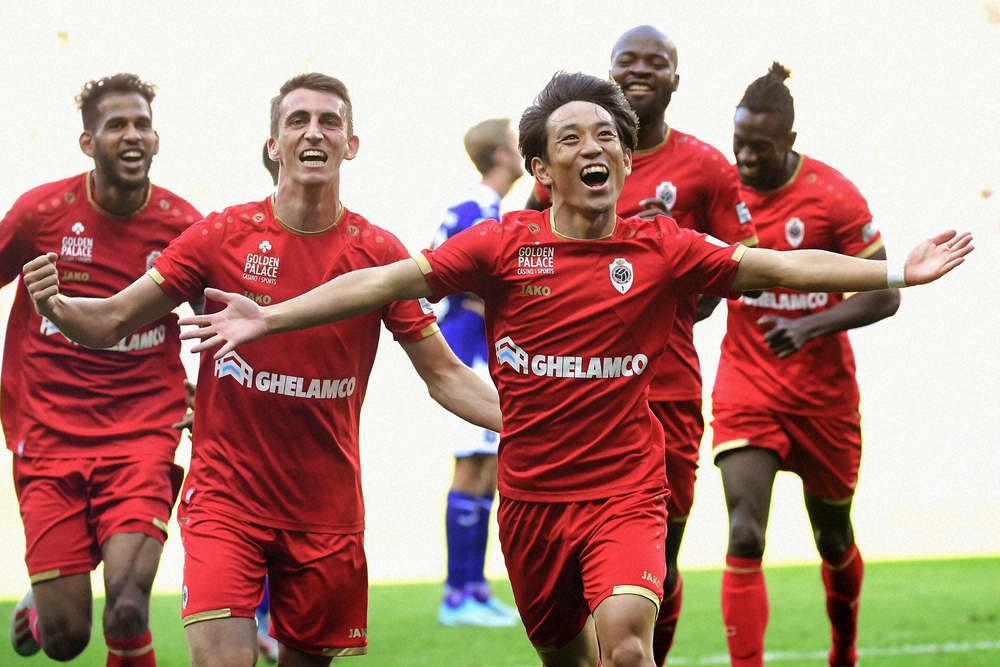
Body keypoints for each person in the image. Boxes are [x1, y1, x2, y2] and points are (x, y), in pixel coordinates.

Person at [124, 72, 971, 667]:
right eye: (571, 137)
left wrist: (897, 270)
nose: (593, 147)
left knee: (629, 644)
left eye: (607, 137)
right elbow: (385, 281)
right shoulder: (501, 245)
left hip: (625, 490)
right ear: (540, 168)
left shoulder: (663, 247)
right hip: (531, 502)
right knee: (568, 657)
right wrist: (269, 315)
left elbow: (776, 268)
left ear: (626, 161)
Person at [19, 72, 503, 667]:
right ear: (274, 144)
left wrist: (534, 423)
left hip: (326, 514)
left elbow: (445, 375)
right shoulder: (219, 236)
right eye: (298, 121)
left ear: (351, 144)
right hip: (225, 501)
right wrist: (57, 306)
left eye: (329, 122)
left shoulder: (378, 254)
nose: (314, 132)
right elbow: (114, 318)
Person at [529, 26, 761, 663]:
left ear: (674, 79)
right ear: (609, 72)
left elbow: (743, 272)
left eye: (655, 62)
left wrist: (676, 275)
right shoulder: (568, 156)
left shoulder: (706, 166)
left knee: (656, 560)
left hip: (667, 389)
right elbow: (526, 245)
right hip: (574, 390)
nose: (639, 71)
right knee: (571, 571)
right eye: (626, 61)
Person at [710, 62, 905, 667]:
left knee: (832, 536)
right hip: (746, 384)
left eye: (760, 147)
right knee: (745, 530)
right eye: (738, 143)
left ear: (790, 140)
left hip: (824, 396)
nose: (745, 158)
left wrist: (809, 325)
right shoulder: (721, 191)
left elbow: (885, 295)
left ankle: (843, 650)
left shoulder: (832, 195)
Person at [3, 73, 201, 665]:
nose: (132, 135)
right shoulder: (41, 214)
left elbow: (227, 321)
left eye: (142, 124)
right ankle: (42, 612)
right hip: (48, 436)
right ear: (88, 142)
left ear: (156, 139)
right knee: (66, 640)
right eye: (117, 125)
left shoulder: (183, 226)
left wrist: (219, 396)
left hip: (143, 431)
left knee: (128, 606)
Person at [432, 118, 523, 628]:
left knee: (487, 469)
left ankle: (474, 587)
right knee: (471, 466)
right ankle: (456, 595)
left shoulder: (488, 210)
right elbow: (464, 283)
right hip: (468, 352)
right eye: (516, 143)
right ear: (502, 155)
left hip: (480, 350)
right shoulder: (476, 211)